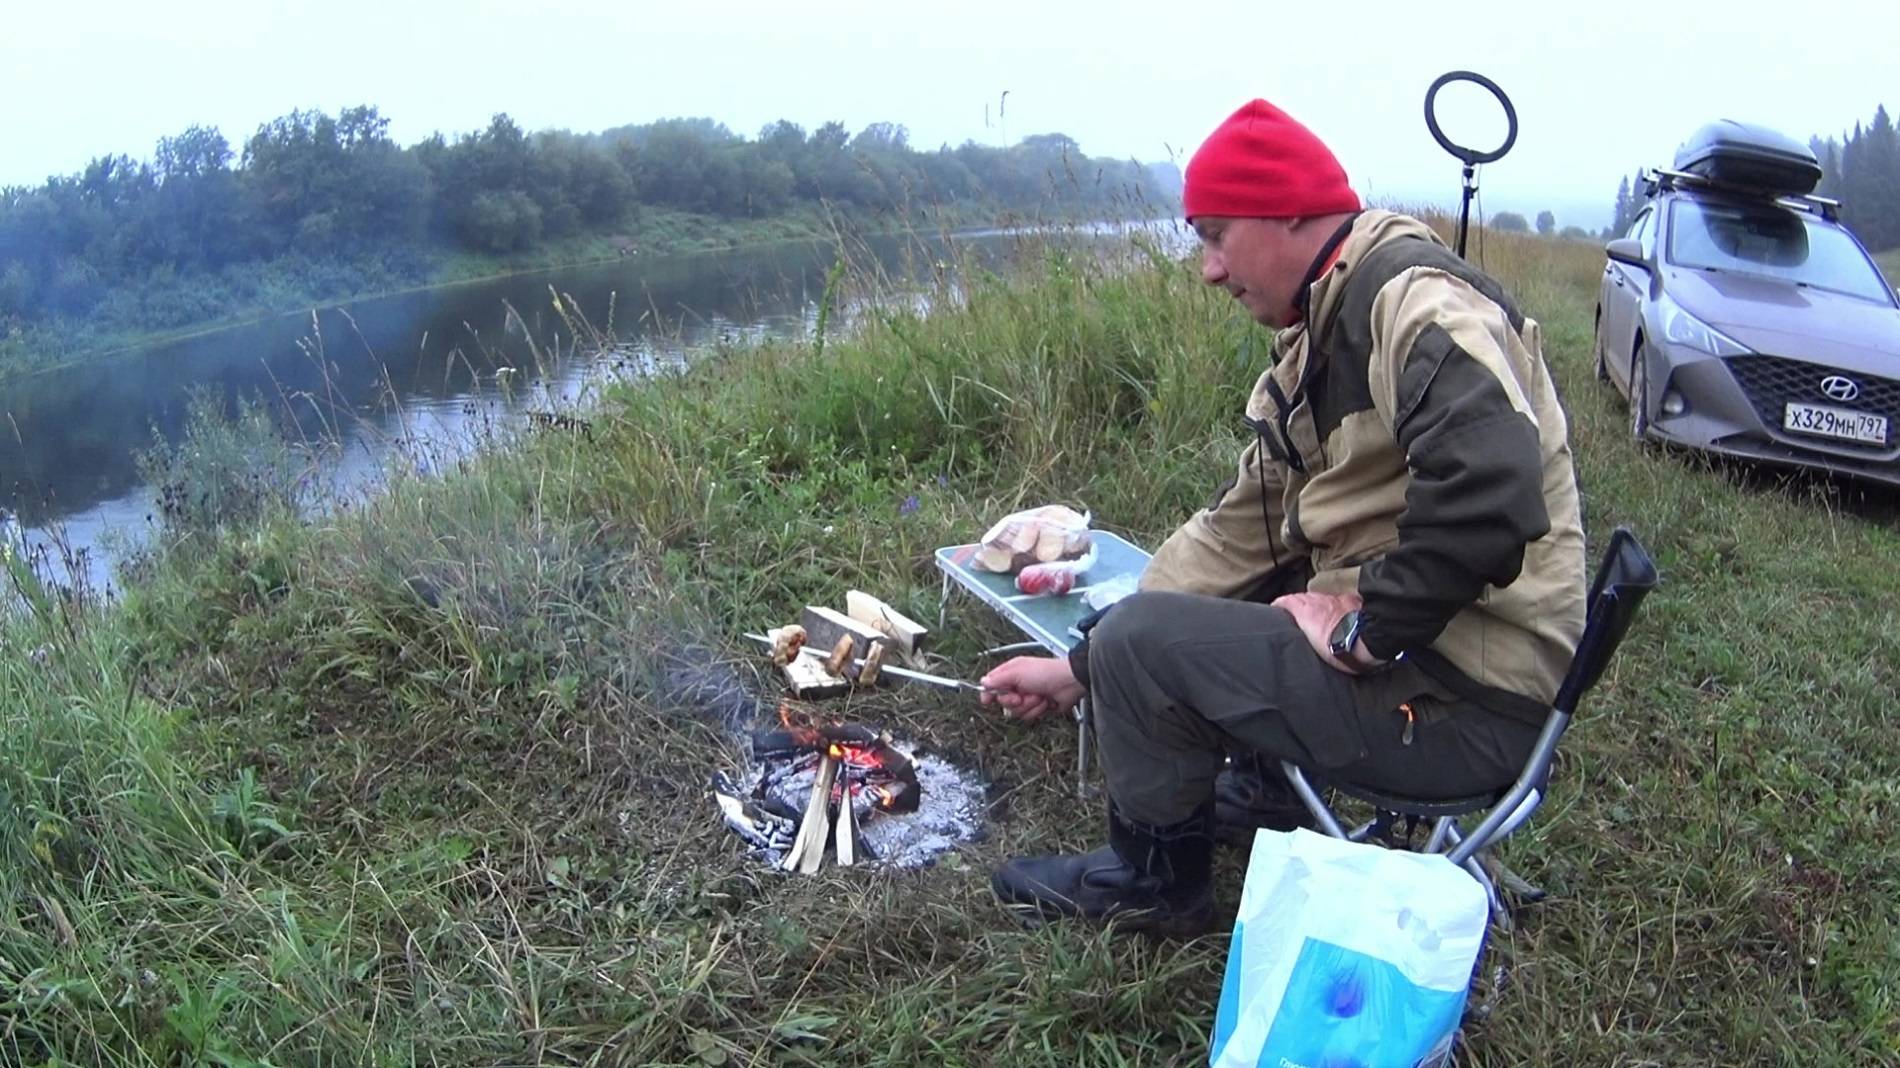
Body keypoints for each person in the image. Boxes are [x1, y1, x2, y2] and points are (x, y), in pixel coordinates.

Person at [979, 98, 1586, 934]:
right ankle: (1266, 795)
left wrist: (1366, 630)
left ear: (1290, 210)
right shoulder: (1326, 327)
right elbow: (1240, 532)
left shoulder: (1411, 300)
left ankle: (1155, 883)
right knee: (1219, 594)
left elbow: (1494, 482)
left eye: (1217, 235)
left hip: (1466, 711)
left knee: (1146, 642)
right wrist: (1082, 666)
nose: (1209, 270)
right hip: (1454, 675)